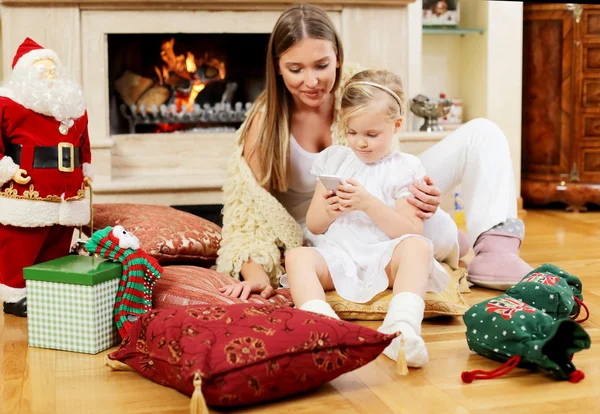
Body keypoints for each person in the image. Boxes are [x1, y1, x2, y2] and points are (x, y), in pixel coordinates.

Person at [216, 3, 531, 300]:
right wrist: (255, 271)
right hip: (331, 230)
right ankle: (450, 245)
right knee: (437, 230)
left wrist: (421, 190)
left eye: (321, 65)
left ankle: (496, 251)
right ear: (278, 67)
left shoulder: (357, 88)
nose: (311, 81)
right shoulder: (265, 123)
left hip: (381, 201)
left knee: (482, 134)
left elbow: (391, 162)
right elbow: (247, 213)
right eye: (296, 69)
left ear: (337, 57)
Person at [287, 69, 448, 368]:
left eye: (371, 135)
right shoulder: (335, 160)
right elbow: (314, 225)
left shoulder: (405, 168)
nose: (360, 143)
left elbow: (411, 229)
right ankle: (325, 329)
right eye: (352, 132)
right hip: (339, 256)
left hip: (383, 257)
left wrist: (368, 204)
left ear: (396, 126)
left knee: (418, 248)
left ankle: (401, 327)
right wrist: (330, 210)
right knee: (297, 257)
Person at [0, 38, 93, 317]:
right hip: (28, 191)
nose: (50, 77)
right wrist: (8, 170)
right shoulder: (8, 105)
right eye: (42, 71)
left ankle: (50, 291)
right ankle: (14, 296)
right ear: (24, 75)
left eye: (54, 71)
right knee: (21, 244)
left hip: (68, 193)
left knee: (57, 243)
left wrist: (85, 170)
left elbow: (83, 145)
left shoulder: (73, 108)